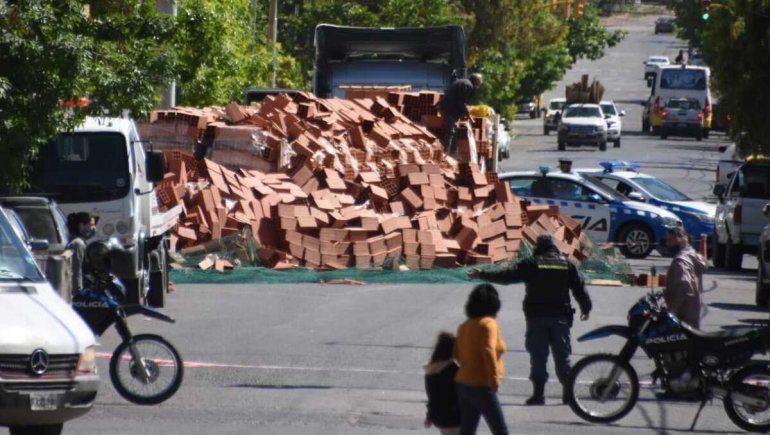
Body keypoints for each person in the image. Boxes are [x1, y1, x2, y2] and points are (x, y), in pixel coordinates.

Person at [468, 234, 591, 406]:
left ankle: (538, 395)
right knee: (563, 357)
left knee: (538, 357)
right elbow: (580, 288)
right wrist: (586, 308)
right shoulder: (567, 264)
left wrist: (482, 275)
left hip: (537, 318)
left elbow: (506, 276)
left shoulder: (532, 263)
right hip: (560, 319)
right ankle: (568, 395)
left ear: (538, 246)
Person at [453, 284, 508, 435]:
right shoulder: (489, 323)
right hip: (482, 384)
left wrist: (468, 365)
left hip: (463, 383)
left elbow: (456, 353)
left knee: (467, 430)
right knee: (500, 430)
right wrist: (494, 378)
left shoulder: (464, 325)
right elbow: (488, 349)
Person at [663, 226, 706, 328]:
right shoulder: (692, 254)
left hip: (683, 315)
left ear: (682, 239)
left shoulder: (681, 261)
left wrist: (672, 310)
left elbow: (685, 287)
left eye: (671, 240)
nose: (667, 244)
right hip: (693, 310)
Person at [424, 332, 461, 435]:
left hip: (438, 417)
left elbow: (433, 398)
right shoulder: (453, 370)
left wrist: (429, 415)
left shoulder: (431, 370)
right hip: (454, 417)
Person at [439, 73, 484, 155]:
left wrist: (464, 112)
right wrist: (467, 113)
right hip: (449, 108)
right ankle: (445, 152)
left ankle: (453, 151)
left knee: (453, 129)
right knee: (450, 130)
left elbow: (460, 100)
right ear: (476, 81)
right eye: (478, 84)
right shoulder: (468, 85)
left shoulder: (464, 82)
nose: (478, 87)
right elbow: (460, 102)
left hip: (448, 107)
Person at [66, 212, 96, 291]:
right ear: (81, 225)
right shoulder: (77, 244)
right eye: (91, 225)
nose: (93, 228)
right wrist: (78, 291)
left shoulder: (80, 242)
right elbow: (76, 270)